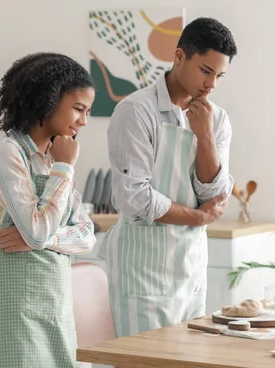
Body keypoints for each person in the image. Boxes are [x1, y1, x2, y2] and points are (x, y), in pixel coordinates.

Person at [102, 17, 238, 337]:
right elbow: (133, 196)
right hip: (141, 272)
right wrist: (196, 217)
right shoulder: (136, 111)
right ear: (179, 56)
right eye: (206, 71)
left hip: (190, 271)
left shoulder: (216, 120)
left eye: (220, 75)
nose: (212, 84)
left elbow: (214, 194)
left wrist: (204, 136)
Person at [0, 52, 97, 367]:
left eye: (87, 112)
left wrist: (43, 241)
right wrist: (65, 166)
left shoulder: (53, 158)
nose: (83, 120)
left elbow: (87, 235)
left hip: (54, 301)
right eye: (78, 109)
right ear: (47, 100)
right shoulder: (8, 154)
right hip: (13, 305)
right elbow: (36, 228)